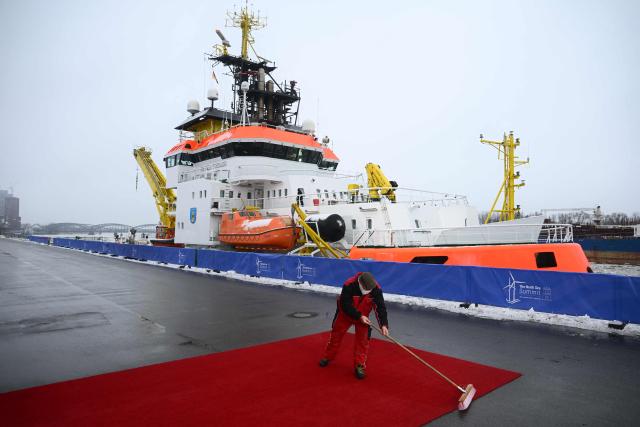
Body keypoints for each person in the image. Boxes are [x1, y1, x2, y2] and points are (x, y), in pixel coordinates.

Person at [319, 272, 389, 379]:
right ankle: (327, 357)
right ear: (360, 283)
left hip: (363, 318)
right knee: (336, 336)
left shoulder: (375, 289)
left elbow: (380, 307)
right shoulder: (349, 284)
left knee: (363, 341)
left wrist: (383, 324)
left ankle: (359, 365)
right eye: (366, 290)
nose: (368, 293)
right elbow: (345, 304)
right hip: (345, 314)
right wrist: (358, 316)